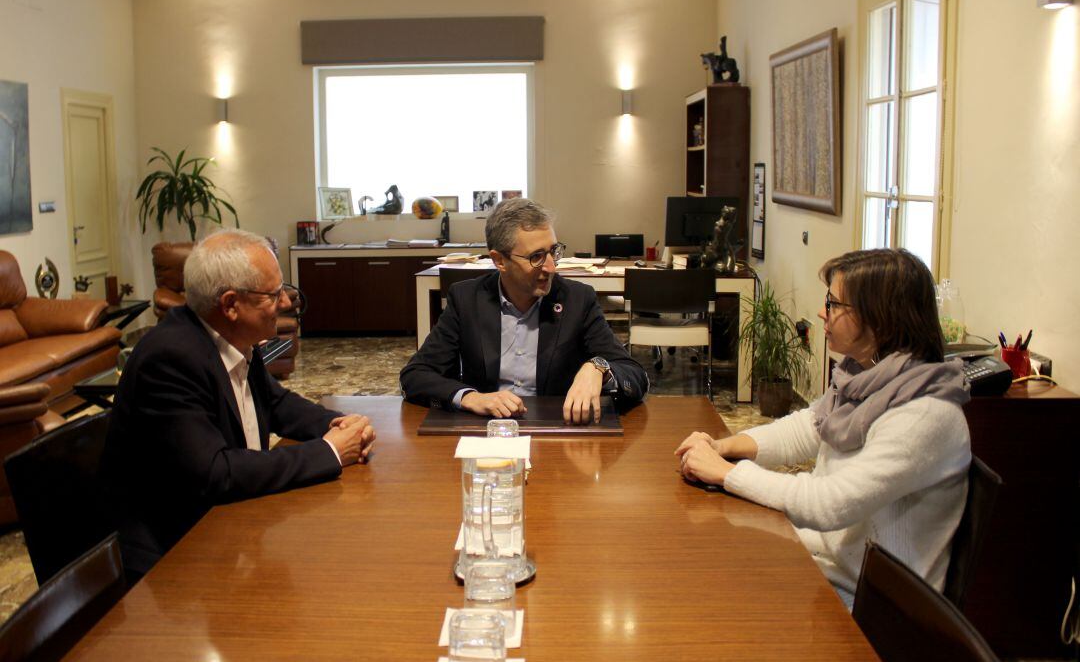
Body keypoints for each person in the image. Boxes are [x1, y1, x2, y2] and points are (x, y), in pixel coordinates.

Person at [674, 248, 971, 607]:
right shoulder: (866, 376)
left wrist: (726, 474)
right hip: (830, 565)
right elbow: (809, 427)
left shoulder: (923, 415)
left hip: (872, 603)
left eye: (833, 304)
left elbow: (830, 503)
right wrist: (726, 447)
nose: (821, 313)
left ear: (880, 319)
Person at [104, 229, 376, 578]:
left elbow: (277, 404)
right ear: (231, 305)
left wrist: (340, 424)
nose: (286, 303)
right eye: (273, 294)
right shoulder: (170, 358)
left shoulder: (235, 339)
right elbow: (215, 473)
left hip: (228, 527)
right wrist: (330, 451)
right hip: (174, 560)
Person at [400, 198, 648, 423]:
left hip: (557, 431)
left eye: (553, 251)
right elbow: (415, 375)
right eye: (536, 257)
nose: (551, 267)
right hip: (485, 433)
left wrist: (599, 367)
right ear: (499, 260)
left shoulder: (577, 299)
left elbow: (636, 376)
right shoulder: (467, 299)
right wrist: (471, 398)